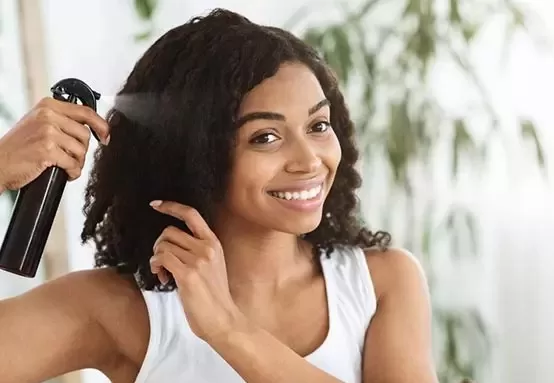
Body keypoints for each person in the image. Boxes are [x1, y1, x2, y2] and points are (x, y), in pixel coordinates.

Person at [0, 8, 437, 383]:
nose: (309, 160)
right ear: (197, 157)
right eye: (266, 137)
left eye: (318, 126)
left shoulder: (381, 282)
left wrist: (227, 329)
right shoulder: (122, 309)